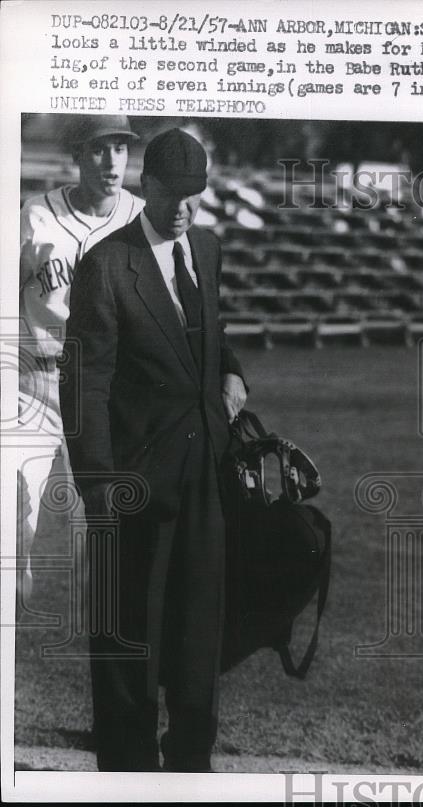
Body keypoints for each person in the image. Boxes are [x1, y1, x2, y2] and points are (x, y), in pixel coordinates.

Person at [61, 128, 248, 772]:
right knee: (127, 631)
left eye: (194, 197)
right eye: (170, 195)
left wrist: (232, 370)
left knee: (200, 629)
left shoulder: (209, 248)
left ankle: (192, 758)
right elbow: (84, 381)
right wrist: (99, 487)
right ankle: (126, 763)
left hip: (204, 476)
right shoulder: (108, 264)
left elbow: (210, 329)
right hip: (132, 481)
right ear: (147, 186)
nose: (181, 210)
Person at [17, 114, 144, 603]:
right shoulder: (36, 215)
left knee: (103, 532)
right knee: (10, 523)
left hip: (106, 395)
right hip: (37, 389)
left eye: (120, 147)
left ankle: (108, 651)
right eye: (98, 148)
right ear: (76, 155)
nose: (112, 160)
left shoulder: (142, 219)